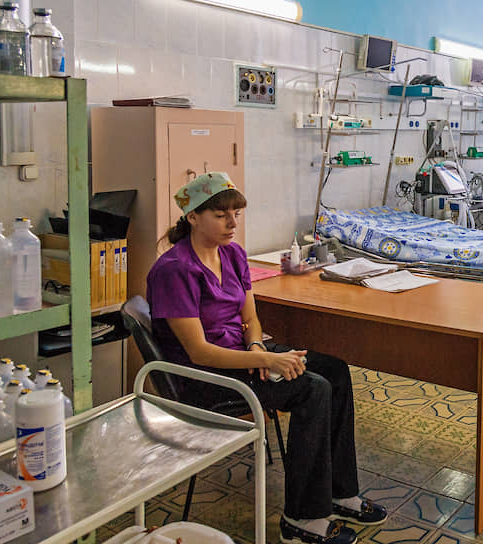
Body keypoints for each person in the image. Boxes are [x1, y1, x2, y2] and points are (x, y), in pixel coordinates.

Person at [146, 173, 385, 544]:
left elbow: (250, 318)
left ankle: (340, 493)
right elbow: (198, 351)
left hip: (242, 357)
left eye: (236, 214)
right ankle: (302, 520)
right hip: (204, 377)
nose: (232, 223)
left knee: (334, 370)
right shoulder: (174, 270)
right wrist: (267, 362)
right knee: (312, 390)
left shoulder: (232, 255)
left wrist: (258, 348)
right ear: (192, 217)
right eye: (220, 215)